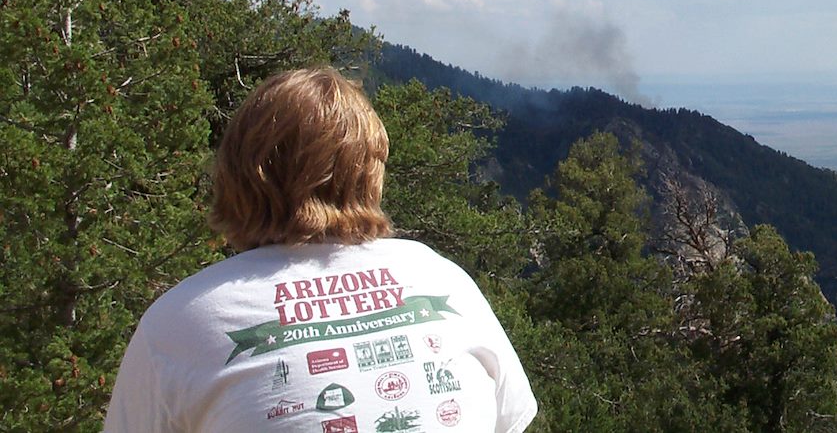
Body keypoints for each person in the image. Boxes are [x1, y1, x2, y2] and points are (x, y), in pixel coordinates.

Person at [105, 67, 537, 433]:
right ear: (370, 174)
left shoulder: (183, 318)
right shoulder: (441, 277)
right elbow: (510, 418)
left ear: (235, 174)